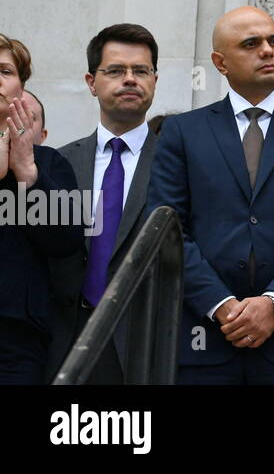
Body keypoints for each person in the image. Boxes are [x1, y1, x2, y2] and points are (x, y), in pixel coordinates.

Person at [145, 6, 274, 384]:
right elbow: (167, 230)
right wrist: (221, 306)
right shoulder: (182, 132)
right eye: (251, 43)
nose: (268, 51)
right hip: (204, 342)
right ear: (220, 62)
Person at [47, 24, 161, 383]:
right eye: (115, 71)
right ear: (91, 81)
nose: (130, 80)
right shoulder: (58, 164)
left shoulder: (179, 166)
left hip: (145, 341)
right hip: (66, 338)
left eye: (140, 71)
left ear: (154, 80)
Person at [0, 33, 81, 384]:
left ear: (21, 87)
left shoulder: (50, 162)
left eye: (4, 71)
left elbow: (67, 241)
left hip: (16, 334)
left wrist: (28, 175)